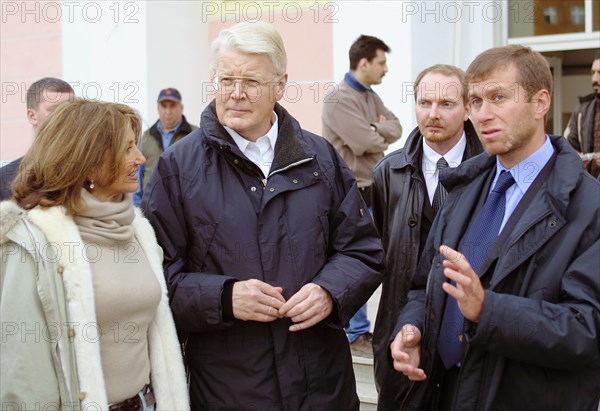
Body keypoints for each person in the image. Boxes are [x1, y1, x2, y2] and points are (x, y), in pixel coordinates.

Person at [142, 21, 384, 410]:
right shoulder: (177, 169)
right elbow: (156, 282)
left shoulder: (320, 158)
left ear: (281, 84)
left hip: (322, 386)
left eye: (251, 81)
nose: (236, 94)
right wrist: (224, 297)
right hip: (230, 389)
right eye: (226, 79)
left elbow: (363, 250)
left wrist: (329, 291)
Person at [390, 45, 600, 411]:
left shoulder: (590, 206)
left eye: (498, 97)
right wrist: (412, 329)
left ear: (540, 103)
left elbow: (588, 329)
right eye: (474, 101)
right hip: (442, 392)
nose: (482, 114)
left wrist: (488, 310)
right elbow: (422, 287)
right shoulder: (463, 189)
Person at [0, 99, 189, 409]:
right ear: (87, 160)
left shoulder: (138, 230)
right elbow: (22, 378)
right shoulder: (32, 243)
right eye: (127, 149)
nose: (140, 158)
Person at [371, 64, 483, 410]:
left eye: (446, 104)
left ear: (467, 109)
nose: (433, 114)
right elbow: (373, 251)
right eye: (424, 103)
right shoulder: (389, 172)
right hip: (399, 330)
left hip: (465, 335)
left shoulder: (490, 170)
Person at [322, 35, 402, 356]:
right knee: (357, 261)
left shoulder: (370, 95)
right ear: (364, 63)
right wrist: (376, 132)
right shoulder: (338, 98)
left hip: (375, 188)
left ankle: (365, 330)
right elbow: (361, 143)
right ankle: (355, 333)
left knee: (381, 259)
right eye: (382, 63)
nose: (386, 69)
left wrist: (375, 130)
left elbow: (396, 128)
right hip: (351, 192)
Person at [0, 77, 74, 200]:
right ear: (32, 116)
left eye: (71, 109)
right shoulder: (5, 179)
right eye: (56, 110)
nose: (65, 116)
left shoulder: (93, 170)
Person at [133, 87, 197, 206]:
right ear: (158, 108)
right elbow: (137, 174)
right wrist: (138, 208)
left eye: (172, 106)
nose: (168, 111)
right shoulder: (146, 137)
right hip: (151, 206)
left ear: (181, 108)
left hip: (185, 208)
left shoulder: (195, 135)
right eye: (164, 106)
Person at [564, 52, 600, 177]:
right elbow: (566, 147)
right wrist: (577, 157)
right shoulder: (581, 110)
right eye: (593, 72)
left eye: (599, 73)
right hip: (590, 185)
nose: (595, 79)